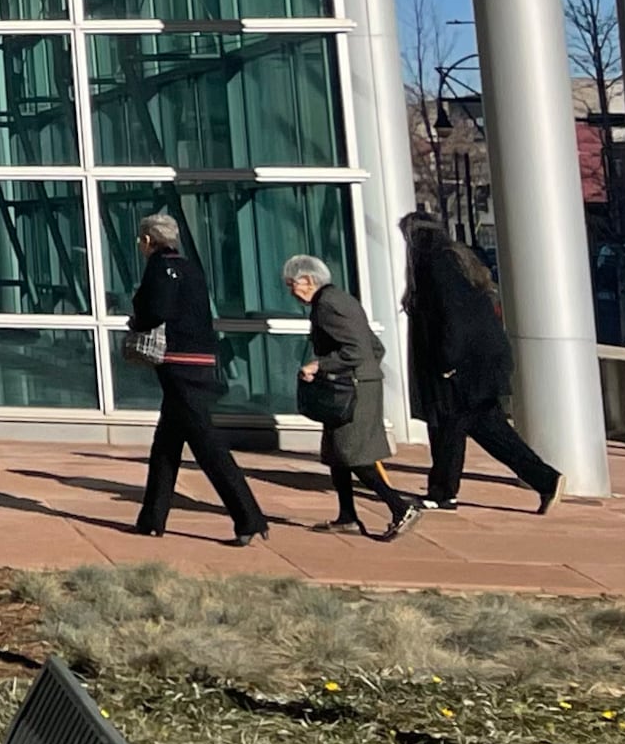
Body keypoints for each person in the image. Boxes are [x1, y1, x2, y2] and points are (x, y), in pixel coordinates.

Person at [401, 208, 561, 513]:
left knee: (450, 427)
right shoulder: (457, 259)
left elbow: (453, 318)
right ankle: (545, 480)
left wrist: (449, 362)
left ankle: (443, 492)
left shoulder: (437, 265)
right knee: (487, 430)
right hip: (477, 365)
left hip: (460, 368)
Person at [126, 212, 269, 544]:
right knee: (167, 443)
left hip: (178, 363)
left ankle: (249, 517)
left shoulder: (160, 268)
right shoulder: (191, 267)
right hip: (201, 359)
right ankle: (151, 518)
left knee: (207, 445)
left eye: (141, 240)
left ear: (148, 241)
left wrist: (137, 318)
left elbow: (156, 311)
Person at [286, 255, 418, 538]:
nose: (290, 291)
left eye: (291, 284)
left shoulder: (327, 305)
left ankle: (399, 507)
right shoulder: (341, 299)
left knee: (354, 455)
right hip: (357, 384)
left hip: (355, 388)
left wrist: (319, 365)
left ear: (308, 280)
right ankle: (347, 515)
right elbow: (375, 346)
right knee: (337, 454)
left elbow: (356, 351)